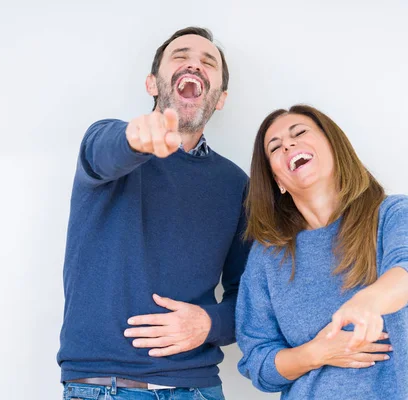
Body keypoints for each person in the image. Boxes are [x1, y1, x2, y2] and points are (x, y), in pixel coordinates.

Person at [57, 27, 250, 400]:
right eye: (180, 56)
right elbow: (104, 151)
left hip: (198, 388)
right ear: (152, 83)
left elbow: (248, 297)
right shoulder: (109, 142)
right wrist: (136, 138)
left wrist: (210, 323)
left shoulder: (236, 184)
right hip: (103, 386)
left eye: (208, 62)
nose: (195, 63)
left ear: (220, 97)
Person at [236, 105, 408, 399]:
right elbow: (258, 361)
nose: (288, 144)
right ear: (278, 180)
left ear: (334, 146)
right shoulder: (267, 258)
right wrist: (315, 353)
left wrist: (368, 302)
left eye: (300, 133)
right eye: (275, 147)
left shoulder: (392, 214)